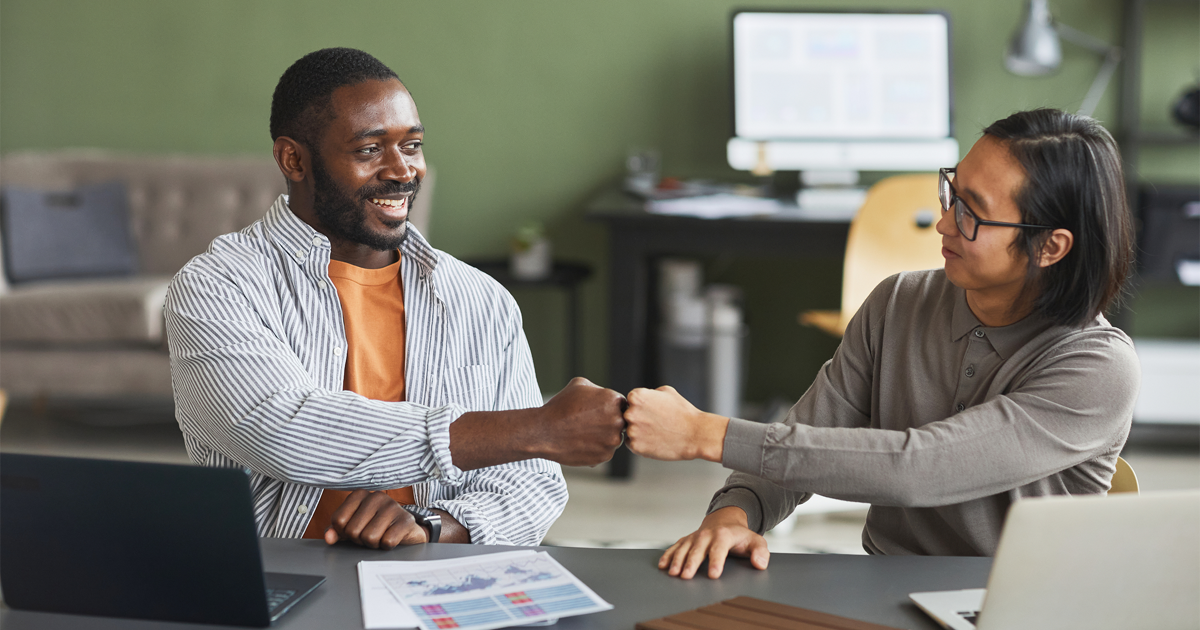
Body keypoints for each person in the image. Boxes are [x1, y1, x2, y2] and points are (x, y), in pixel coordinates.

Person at [623, 109, 1140, 578]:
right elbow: (805, 434)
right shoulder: (900, 301)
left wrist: (703, 433)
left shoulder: (1097, 367)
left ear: (1050, 246)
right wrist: (735, 514)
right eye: (950, 193)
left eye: (971, 213)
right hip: (888, 586)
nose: (942, 222)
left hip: (1021, 603)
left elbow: (919, 467)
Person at [164, 48, 626, 550]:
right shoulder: (217, 285)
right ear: (293, 159)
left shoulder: (480, 298)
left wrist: (434, 525)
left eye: (412, 145)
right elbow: (281, 431)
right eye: (369, 150)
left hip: (440, 577)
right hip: (280, 582)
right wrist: (533, 427)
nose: (402, 171)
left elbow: (532, 484)